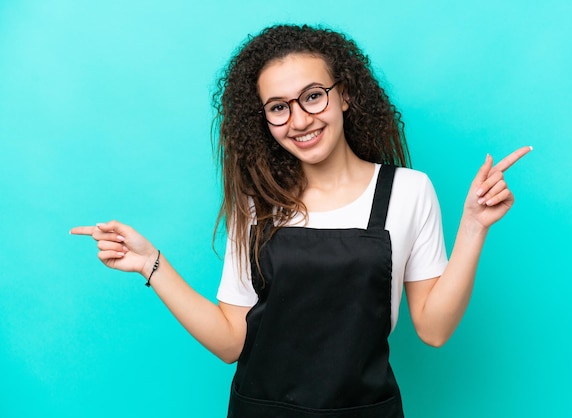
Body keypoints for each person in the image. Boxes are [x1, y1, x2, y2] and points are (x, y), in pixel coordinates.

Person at [71, 24, 531, 418]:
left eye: (313, 97)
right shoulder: (256, 202)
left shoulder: (408, 191)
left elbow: (433, 329)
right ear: (264, 119)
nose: (299, 120)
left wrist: (473, 227)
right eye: (278, 107)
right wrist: (153, 264)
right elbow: (233, 342)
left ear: (345, 95)